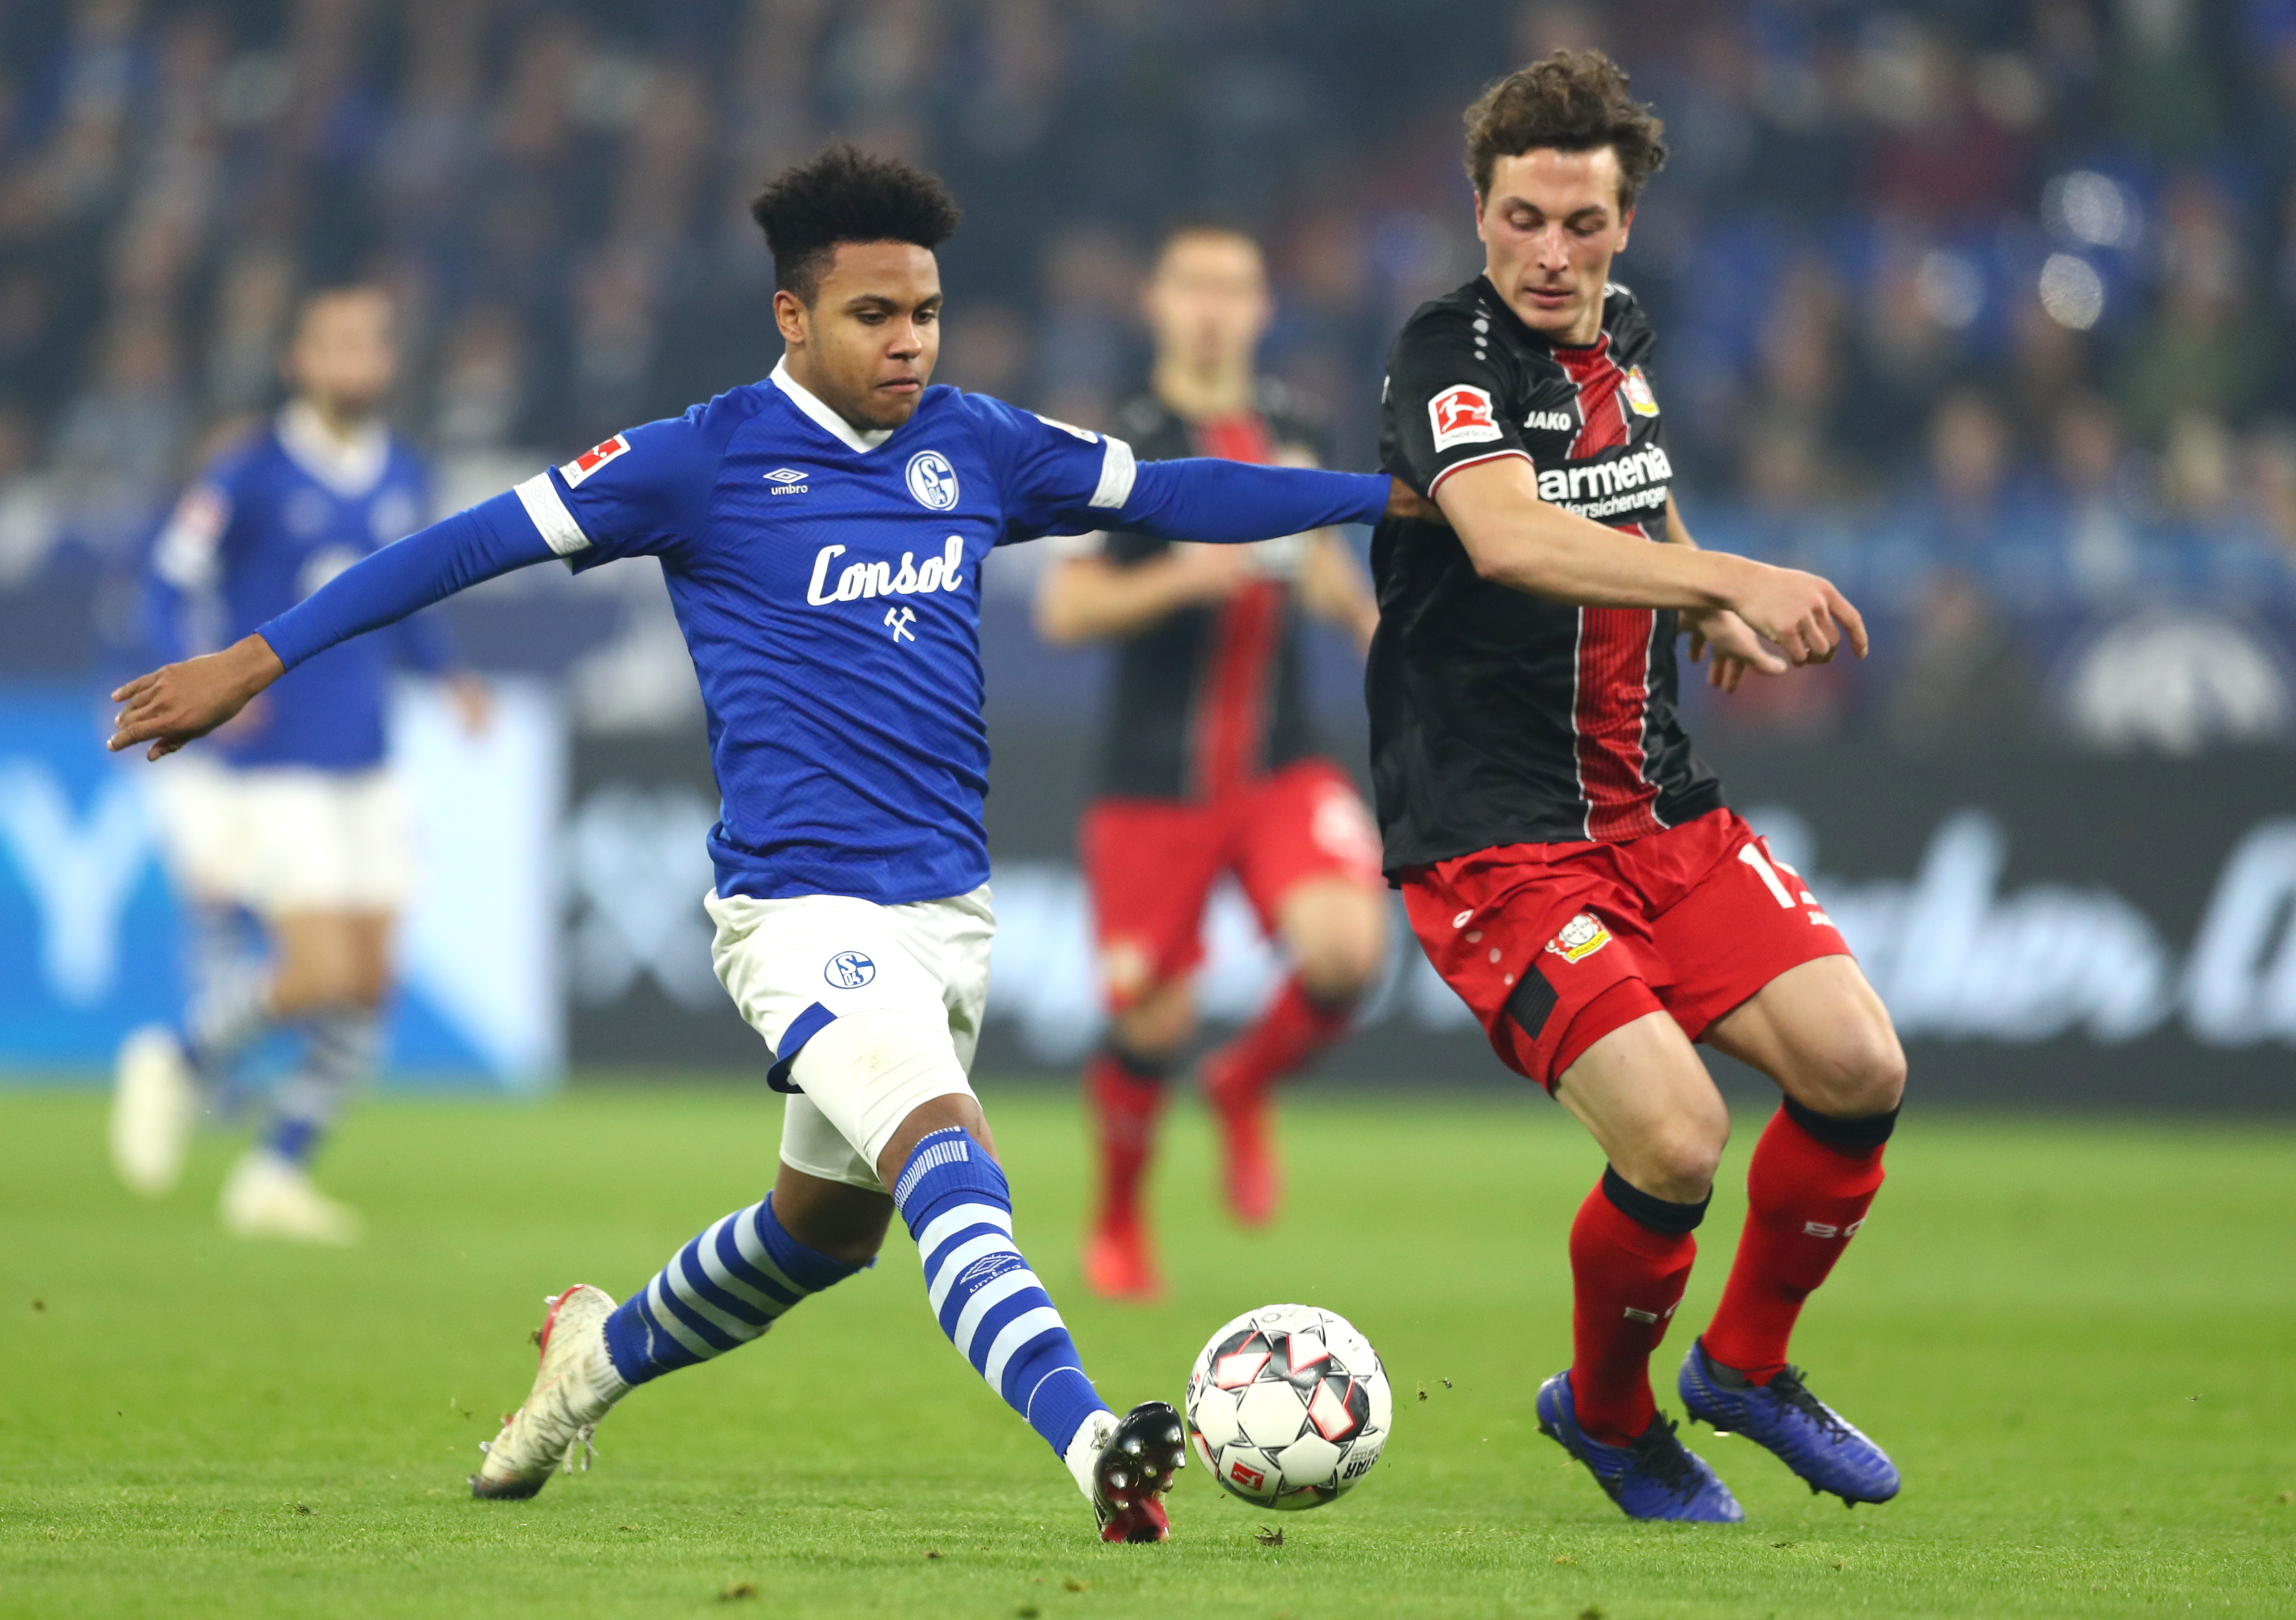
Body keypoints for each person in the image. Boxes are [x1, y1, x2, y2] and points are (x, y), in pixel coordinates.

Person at [107, 146, 1432, 1544]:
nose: (908, 339)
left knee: (819, 1233)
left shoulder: (974, 443)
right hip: (799, 911)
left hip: (948, 914)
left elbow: (1170, 493)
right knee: (949, 1156)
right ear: (793, 318)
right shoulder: (701, 458)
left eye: (923, 309)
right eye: (873, 314)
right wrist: (258, 652)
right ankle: (1095, 1441)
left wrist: (1383, 499)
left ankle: (583, 1369)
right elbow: (465, 543)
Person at [1369, 54, 1906, 1523]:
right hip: (1496, 842)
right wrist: (1728, 573)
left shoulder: (1624, 344)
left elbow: (1633, 484)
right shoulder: (1446, 357)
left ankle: (1742, 1367)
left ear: (1625, 223)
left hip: (1657, 810)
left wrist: (1695, 603)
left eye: (1584, 224)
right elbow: (1509, 537)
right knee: (1674, 1139)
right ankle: (1607, 1417)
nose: (1553, 254)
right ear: (1479, 214)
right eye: (1524, 219)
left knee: (1860, 1069)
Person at [1034, 222, 1388, 1300]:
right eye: (1192, 285)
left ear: (1259, 308)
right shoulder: (1124, 449)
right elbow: (1065, 605)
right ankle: (1120, 1224)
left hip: (1282, 766)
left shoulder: (1292, 426)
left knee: (1345, 952)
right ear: (1156, 302)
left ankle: (1242, 1086)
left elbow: (1322, 565)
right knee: (1154, 1022)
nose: (1211, 307)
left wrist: (1379, 634)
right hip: (1154, 783)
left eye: (1233, 287)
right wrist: (1181, 580)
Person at [110, 286, 489, 1244]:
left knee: (368, 985)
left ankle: (275, 1174)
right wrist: (204, 676)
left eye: (372, 344)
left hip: (371, 756)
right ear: (299, 361)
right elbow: (170, 578)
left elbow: (404, 598)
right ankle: (183, 1057)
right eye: (338, 345)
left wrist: (447, 677)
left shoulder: (403, 470)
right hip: (278, 762)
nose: (357, 362)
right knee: (318, 969)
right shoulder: (250, 474)